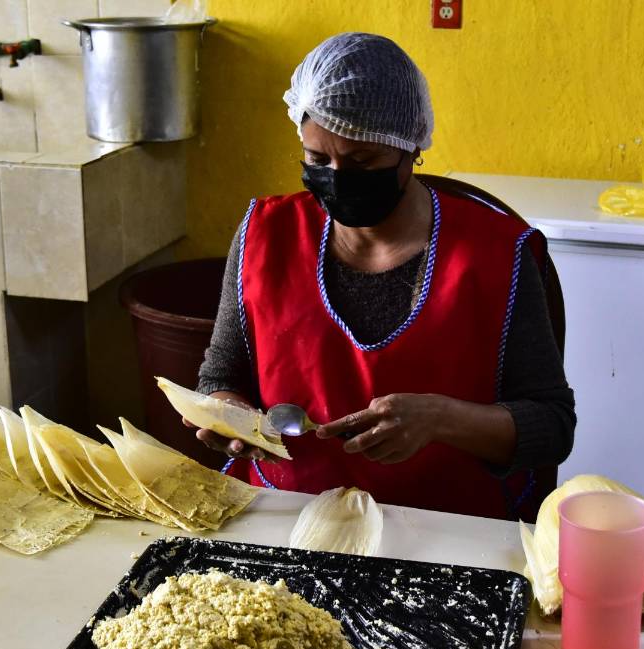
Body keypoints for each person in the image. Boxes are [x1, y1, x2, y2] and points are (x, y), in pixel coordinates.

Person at [190, 32, 574, 520]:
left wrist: (440, 418)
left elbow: (553, 426)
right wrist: (225, 414)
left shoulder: (498, 255)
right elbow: (220, 377)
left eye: (362, 162)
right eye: (316, 160)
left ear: (410, 146)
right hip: (285, 517)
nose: (336, 176)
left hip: (447, 528)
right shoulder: (264, 237)